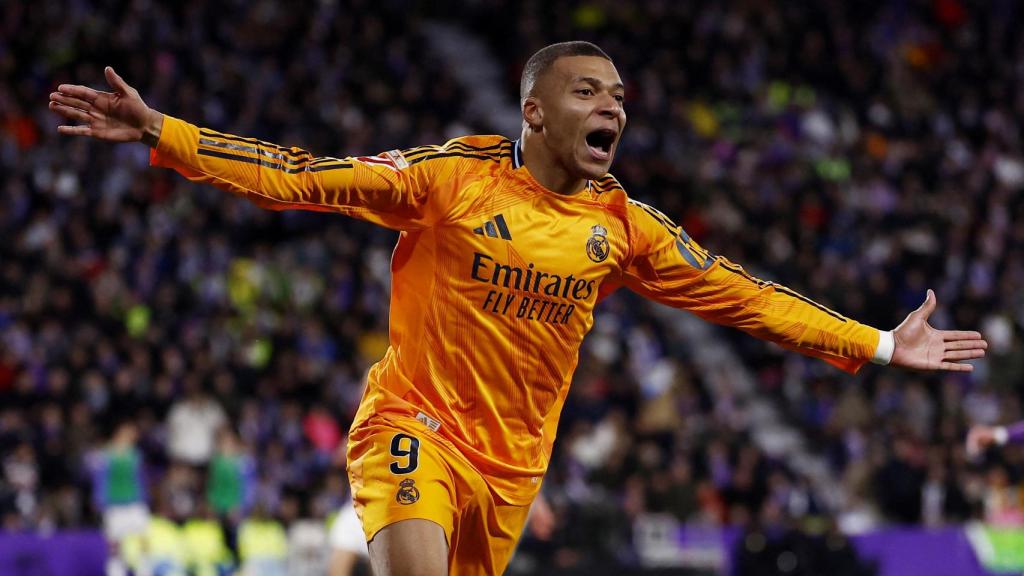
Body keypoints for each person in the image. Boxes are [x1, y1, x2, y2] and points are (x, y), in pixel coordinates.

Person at [49, 41, 987, 576]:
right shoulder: (452, 180)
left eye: (619, 96)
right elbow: (305, 179)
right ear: (535, 112)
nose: (610, 107)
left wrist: (873, 341)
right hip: (410, 427)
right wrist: (166, 135)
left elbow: (744, 296)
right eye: (588, 92)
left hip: (512, 474)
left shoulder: (625, 228)